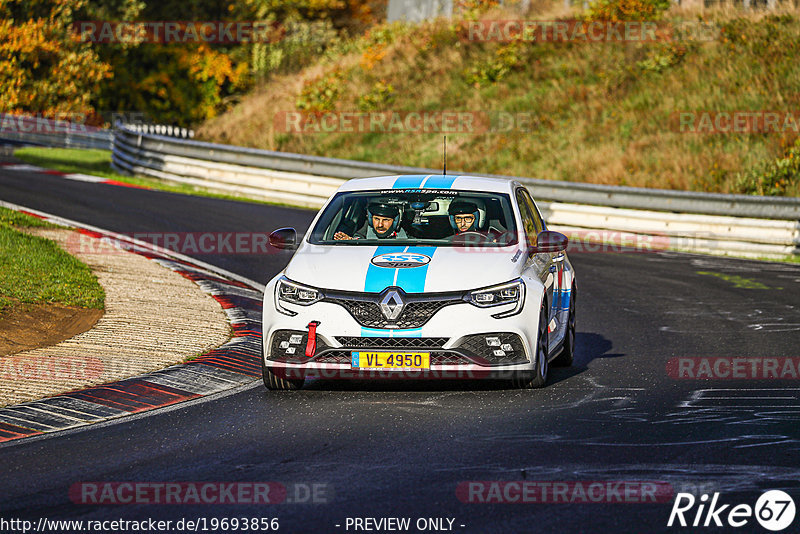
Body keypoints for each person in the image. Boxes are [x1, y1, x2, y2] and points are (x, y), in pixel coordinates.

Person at [334, 202, 407, 240]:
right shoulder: (365, 230)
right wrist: (351, 241)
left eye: (386, 220)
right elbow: (358, 238)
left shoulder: (407, 235)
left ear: (395, 221)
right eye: (376, 219)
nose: (380, 225)